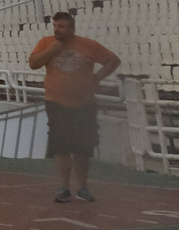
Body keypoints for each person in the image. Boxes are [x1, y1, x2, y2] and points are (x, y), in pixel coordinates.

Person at [29, 11, 120, 203]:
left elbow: (113, 60)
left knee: (82, 148)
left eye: (61, 26)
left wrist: (97, 78)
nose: (57, 30)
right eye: (55, 26)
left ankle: (82, 187)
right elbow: (33, 64)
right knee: (61, 146)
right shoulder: (46, 42)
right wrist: (53, 49)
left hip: (84, 103)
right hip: (56, 101)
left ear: (71, 28)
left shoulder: (88, 45)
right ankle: (63, 187)